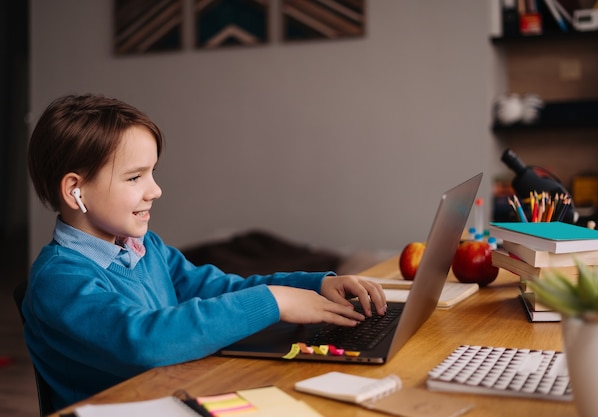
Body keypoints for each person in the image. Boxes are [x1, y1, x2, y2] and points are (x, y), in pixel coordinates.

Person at [23, 94, 387, 411]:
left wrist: (311, 285)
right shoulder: (59, 280)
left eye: (153, 173)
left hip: (180, 395)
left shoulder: (145, 248)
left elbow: (214, 287)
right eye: (135, 177)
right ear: (75, 191)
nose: (155, 190)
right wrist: (273, 300)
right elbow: (144, 341)